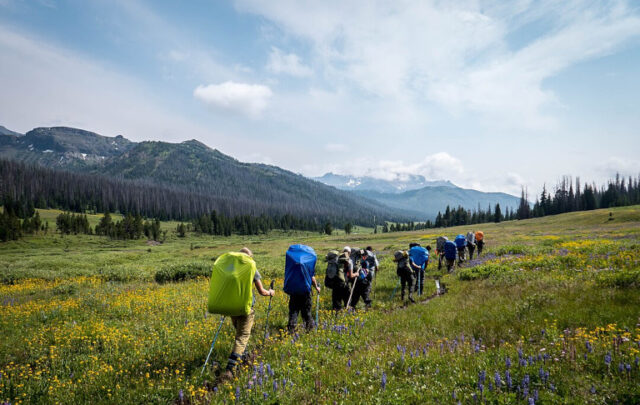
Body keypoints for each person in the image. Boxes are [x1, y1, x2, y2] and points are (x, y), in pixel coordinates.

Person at [223, 248, 274, 379]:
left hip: (232, 306)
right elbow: (262, 291)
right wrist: (270, 292)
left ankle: (243, 356)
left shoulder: (231, 268)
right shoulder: (251, 268)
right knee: (242, 336)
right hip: (246, 307)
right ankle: (230, 368)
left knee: (239, 334)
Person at [285, 245, 321, 333]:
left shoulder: (293, 264)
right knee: (306, 312)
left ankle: (291, 330)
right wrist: (316, 287)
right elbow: (312, 278)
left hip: (294, 291)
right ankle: (309, 330)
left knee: (293, 312)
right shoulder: (307, 265)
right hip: (305, 291)